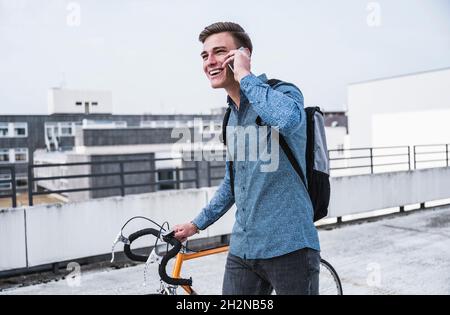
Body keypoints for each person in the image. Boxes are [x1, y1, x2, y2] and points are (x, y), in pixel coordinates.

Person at [173, 22, 320, 295]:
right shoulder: (231, 118)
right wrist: (196, 224)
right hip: (243, 250)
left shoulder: (284, 92)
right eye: (205, 56)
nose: (210, 61)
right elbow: (233, 183)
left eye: (219, 52)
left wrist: (244, 74)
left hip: (290, 247)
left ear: (244, 54)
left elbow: (287, 120)